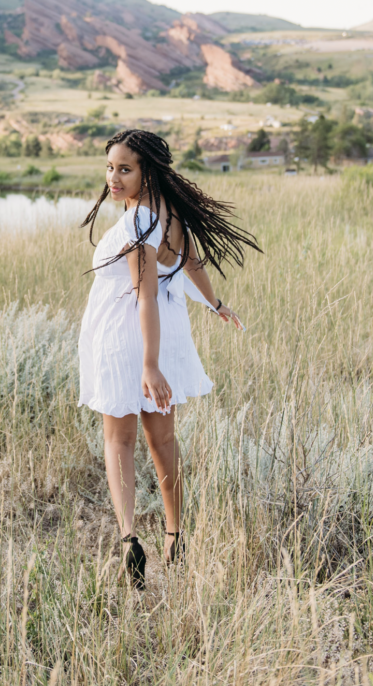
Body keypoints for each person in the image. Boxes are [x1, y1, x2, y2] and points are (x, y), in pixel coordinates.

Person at [78, 129, 261, 588]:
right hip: (166, 334)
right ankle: (176, 534)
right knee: (163, 442)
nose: (114, 178)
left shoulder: (140, 222)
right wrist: (216, 303)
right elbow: (191, 261)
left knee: (119, 442)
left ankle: (129, 540)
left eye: (125, 169)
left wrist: (148, 364)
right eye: (110, 167)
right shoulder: (170, 211)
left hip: (130, 340)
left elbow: (145, 296)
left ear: (147, 171)